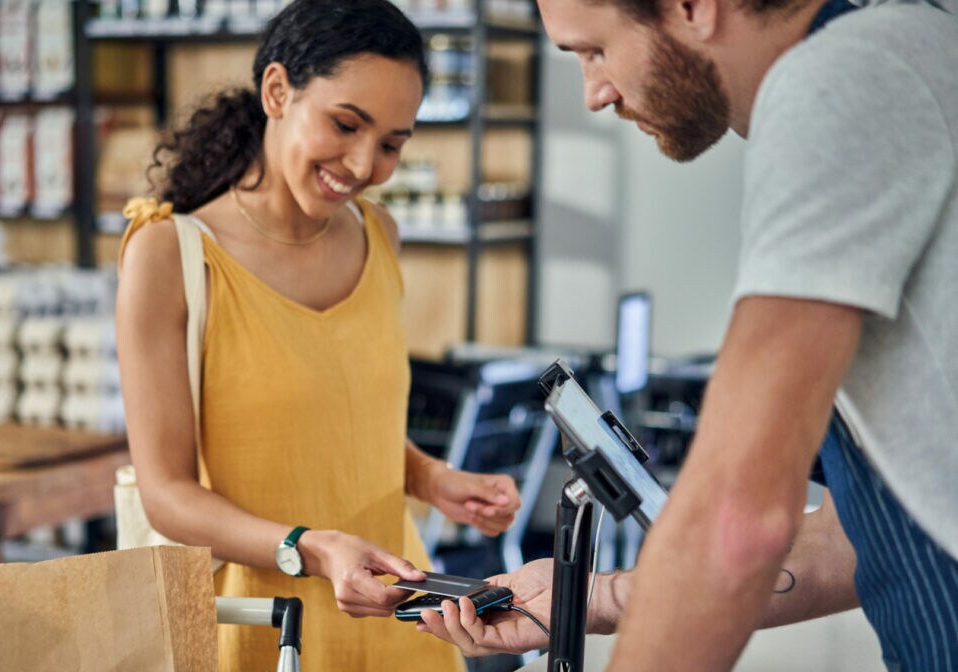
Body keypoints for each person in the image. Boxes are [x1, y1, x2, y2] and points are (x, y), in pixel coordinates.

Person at [417, 0, 958, 669]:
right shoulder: (915, 47)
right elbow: (869, 538)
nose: (594, 94)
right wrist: (599, 596)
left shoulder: (846, 81)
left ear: (691, 7)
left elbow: (735, 521)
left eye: (594, 52)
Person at [116, 1, 522, 669]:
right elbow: (167, 495)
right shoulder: (170, 254)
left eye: (392, 142)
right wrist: (314, 546)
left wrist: (431, 478)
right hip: (263, 625)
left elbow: (339, 421)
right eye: (345, 124)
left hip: (398, 610)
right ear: (277, 92)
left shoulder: (380, 236)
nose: (364, 164)